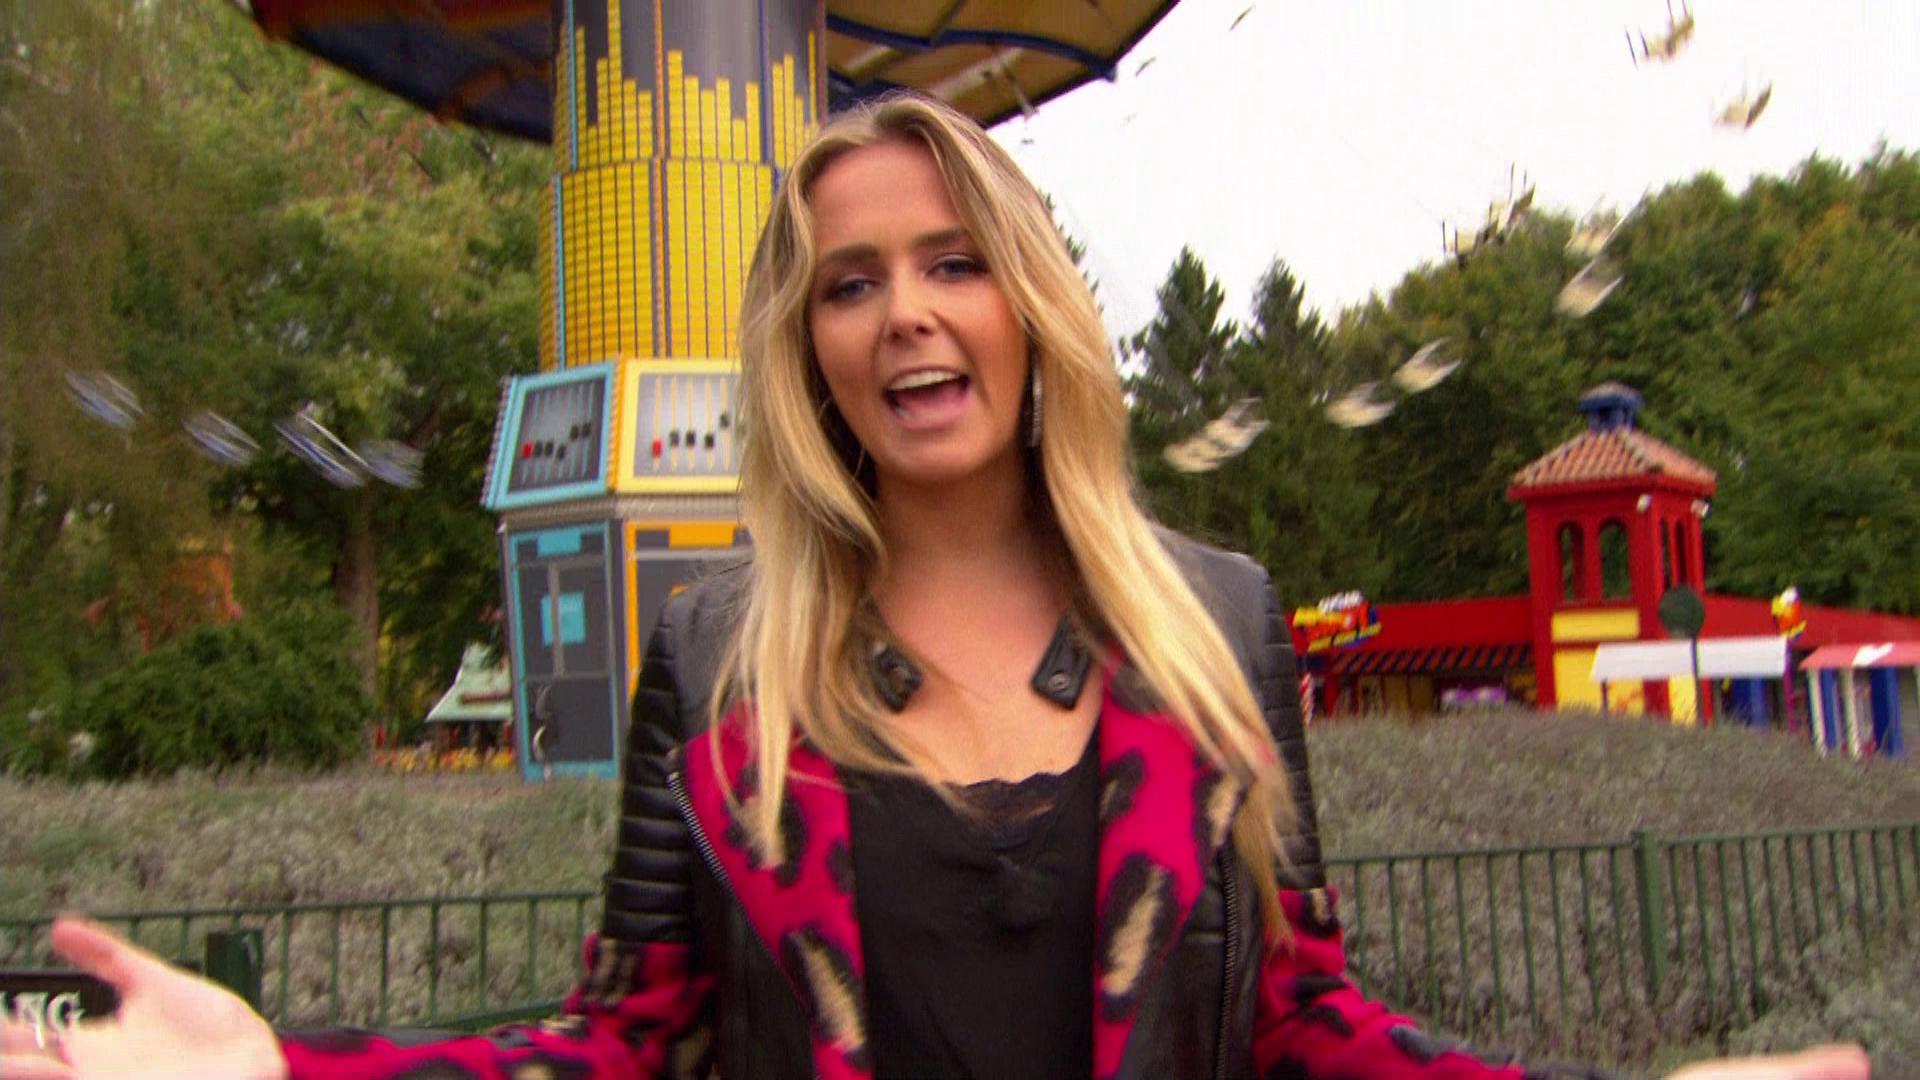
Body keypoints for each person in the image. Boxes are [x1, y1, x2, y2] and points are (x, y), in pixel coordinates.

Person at [0, 94, 1871, 1080]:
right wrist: (282, 1072)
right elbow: (624, 1043)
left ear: (1028, 304)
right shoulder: (720, 661)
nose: (906, 312)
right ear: (807, 348)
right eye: (849, 280)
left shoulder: (1217, 626)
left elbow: (1308, 1028)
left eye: (954, 262)